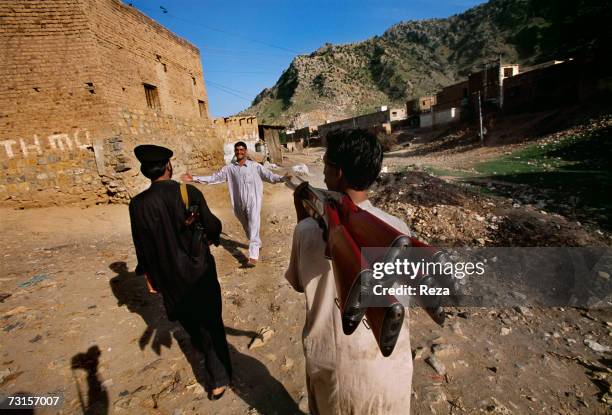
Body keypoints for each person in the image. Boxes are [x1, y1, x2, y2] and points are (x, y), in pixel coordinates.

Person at [285, 129, 413, 414]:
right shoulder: (397, 229)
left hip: (338, 375)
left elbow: (297, 283)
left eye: (326, 162)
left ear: (337, 172)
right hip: (391, 366)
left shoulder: (307, 232)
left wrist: (302, 218)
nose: (324, 170)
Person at [129, 144, 231, 400]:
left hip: (168, 276)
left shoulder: (138, 204)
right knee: (211, 322)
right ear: (168, 166)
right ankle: (219, 376)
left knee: (189, 320)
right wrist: (212, 233)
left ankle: (207, 353)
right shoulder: (188, 192)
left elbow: (141, 247)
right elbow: (212, 225)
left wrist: (150, 278)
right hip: (199, 271)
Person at [181, 141, 287, 267]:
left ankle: (253, 257)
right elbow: (215, 178)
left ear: (246, 151)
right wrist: (194, 178)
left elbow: (269, 176)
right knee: (247, 227)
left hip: (253, 201)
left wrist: (282, 178)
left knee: (253, 225)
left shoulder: (255, 166)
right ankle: (257, 243)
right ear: (235, 152)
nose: (239, 152)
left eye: (242, 150)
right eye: (237, 150)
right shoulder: (230, 169)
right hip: (238, 204)